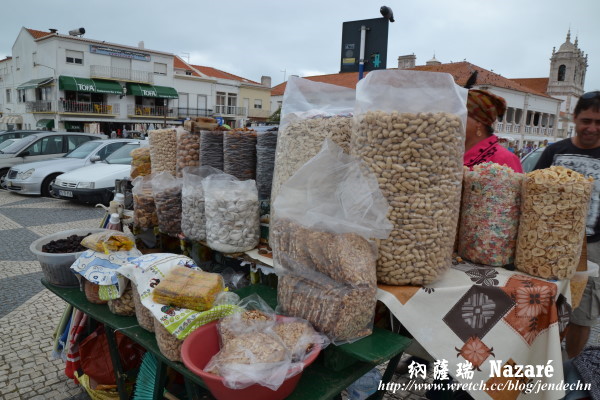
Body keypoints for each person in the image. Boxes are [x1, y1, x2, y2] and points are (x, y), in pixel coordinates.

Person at [533, 91, 600, 359]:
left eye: (599, 122)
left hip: (591, 246)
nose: (592, 128)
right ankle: (538, 362)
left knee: (582, 314)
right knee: (543, 306)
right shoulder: (554, 151)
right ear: (574, 118)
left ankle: (570, 366)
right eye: (586, 120)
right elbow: (532, 190)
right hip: (548, 245)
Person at [463, 90, 523, 173]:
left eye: (461, 115)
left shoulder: (504, 159)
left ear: (478, 122)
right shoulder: (450, 153)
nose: (452, 119)